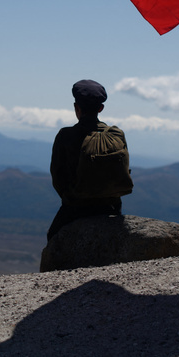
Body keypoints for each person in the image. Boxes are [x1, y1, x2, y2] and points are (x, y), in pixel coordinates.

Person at [47, 79, 131, 241]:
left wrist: (71, 198)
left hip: (76, 208)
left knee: (53, 237)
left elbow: (58, 177)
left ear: (76, 107)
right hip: (111, 207)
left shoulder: (66, 135)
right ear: (101, 108)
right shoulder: (116, 134)